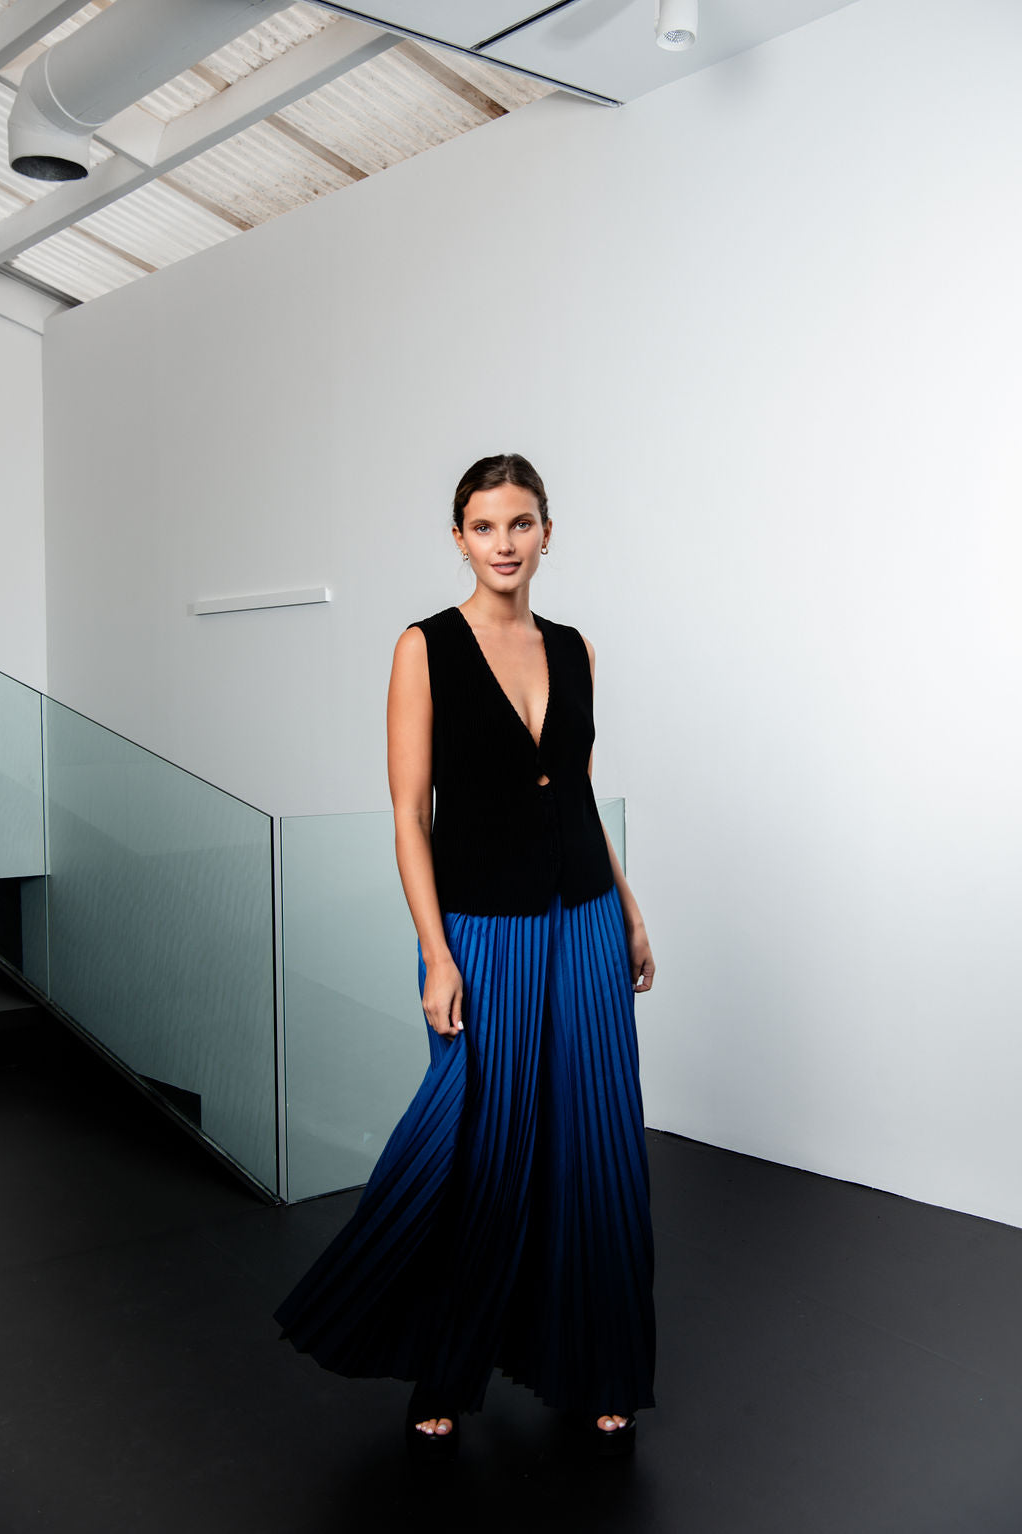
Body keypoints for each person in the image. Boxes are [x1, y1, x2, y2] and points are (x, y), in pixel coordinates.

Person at [273, 453, 656, 1459]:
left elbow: (577, 791)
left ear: (546, 532)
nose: (504, 543)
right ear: (459, 538)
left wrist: (627, 909)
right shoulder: (425, 647)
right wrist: (436, 953)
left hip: (583, 916)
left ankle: (598, 1365)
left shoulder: (572, 648)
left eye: (521, 523)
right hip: (481, 928)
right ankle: (441, 1365)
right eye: (484, 526)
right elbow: (409, 815)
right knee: (477, 1141)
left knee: (595, 1141)